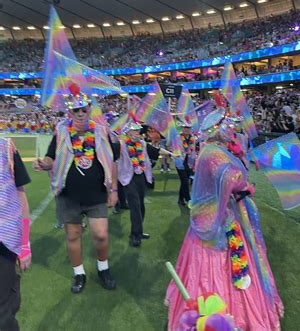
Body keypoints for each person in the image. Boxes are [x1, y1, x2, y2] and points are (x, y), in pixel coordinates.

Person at [165, 108, 283, 330]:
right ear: (217, 129)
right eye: (229, 124)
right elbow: (230, 177)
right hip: (218, 222)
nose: (234, 129)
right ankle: (224, 315)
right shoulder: (212, 153)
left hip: (217, 216)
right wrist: (245, 186)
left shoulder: (214, 150)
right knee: (218, 269)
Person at [33, 83, 119, 294]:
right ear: (69, 112)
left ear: (89, 109)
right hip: (68, 195)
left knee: (100, 235)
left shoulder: (101, 131)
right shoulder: (61, 130)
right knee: (72, 235)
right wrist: (45, 163)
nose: (80, 114)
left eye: (83, 109)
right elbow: (50, 156)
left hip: (96, 194)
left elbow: (112, 161)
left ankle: (103, 268)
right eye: (75, 110)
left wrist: (114, 190)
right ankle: (79, 273)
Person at [118, 120, 173, 247]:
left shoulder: (142, 144)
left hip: (140, 177)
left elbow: (156, 151)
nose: (138, 133)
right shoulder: (121, 145)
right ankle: (135, 235)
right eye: (135, 130)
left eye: (138, 130)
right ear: (128, 132)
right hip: (128, 179)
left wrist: (171, 154)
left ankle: (138, 231)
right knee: (135, 206)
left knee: (141, 205)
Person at [0, 138, 31, 331]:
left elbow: (21, 196)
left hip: (3, 241)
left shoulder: (6, 148)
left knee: (3, 315)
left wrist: (25, 243)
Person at [175, 121, 196, 206]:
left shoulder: (193, 138)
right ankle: (188, 199)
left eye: (188, 128)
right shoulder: (177, 137)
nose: (187, 130)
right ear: (182, 128)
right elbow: (175, 149)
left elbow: (193, 150)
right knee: (184, 181)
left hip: (189, 162)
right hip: (180, 162)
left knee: (185, 181)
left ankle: (180, 199)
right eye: (185, 128)